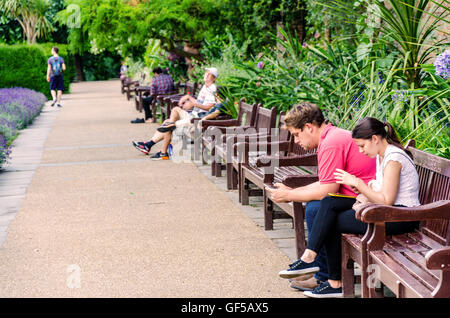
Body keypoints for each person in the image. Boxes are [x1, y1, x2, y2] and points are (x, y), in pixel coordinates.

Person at [281, 117, 420, 298]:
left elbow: (386, 200)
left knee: (332, 221)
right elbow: (382, 192)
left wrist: (358, 184)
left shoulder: (393, 158)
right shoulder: (382, 154)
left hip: (400, 217)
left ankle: (334, 282)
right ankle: (309, 256)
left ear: (375, 139)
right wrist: (362, 191)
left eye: (362, 146)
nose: (360, 151)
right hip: (386, 210)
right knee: (329, 202)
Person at [266, 102, 376, 291]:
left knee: (317, 210)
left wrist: (290, 194)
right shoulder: (331, 137)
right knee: (316, 207)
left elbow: (327, 189)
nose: (297, 141)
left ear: (308, 127)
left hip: (371, 203)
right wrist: (291, 193)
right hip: (355, 199)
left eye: (296, 135)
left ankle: (324, 275)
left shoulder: (331, 143)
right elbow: (327, 184)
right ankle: (323, 275)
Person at [131, 67, 218, 160]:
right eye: (206, 73)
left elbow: (210, 106)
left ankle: (162, 151)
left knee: (169, 125)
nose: (206, 75)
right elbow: (201, 102)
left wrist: (193, 103)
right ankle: (156, 145)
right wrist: (188, 97)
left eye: (209, 74)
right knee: (175, 111)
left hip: (197, 121)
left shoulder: (212, 88)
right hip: (192, 115)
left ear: (214, 79)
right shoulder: (205, 87)